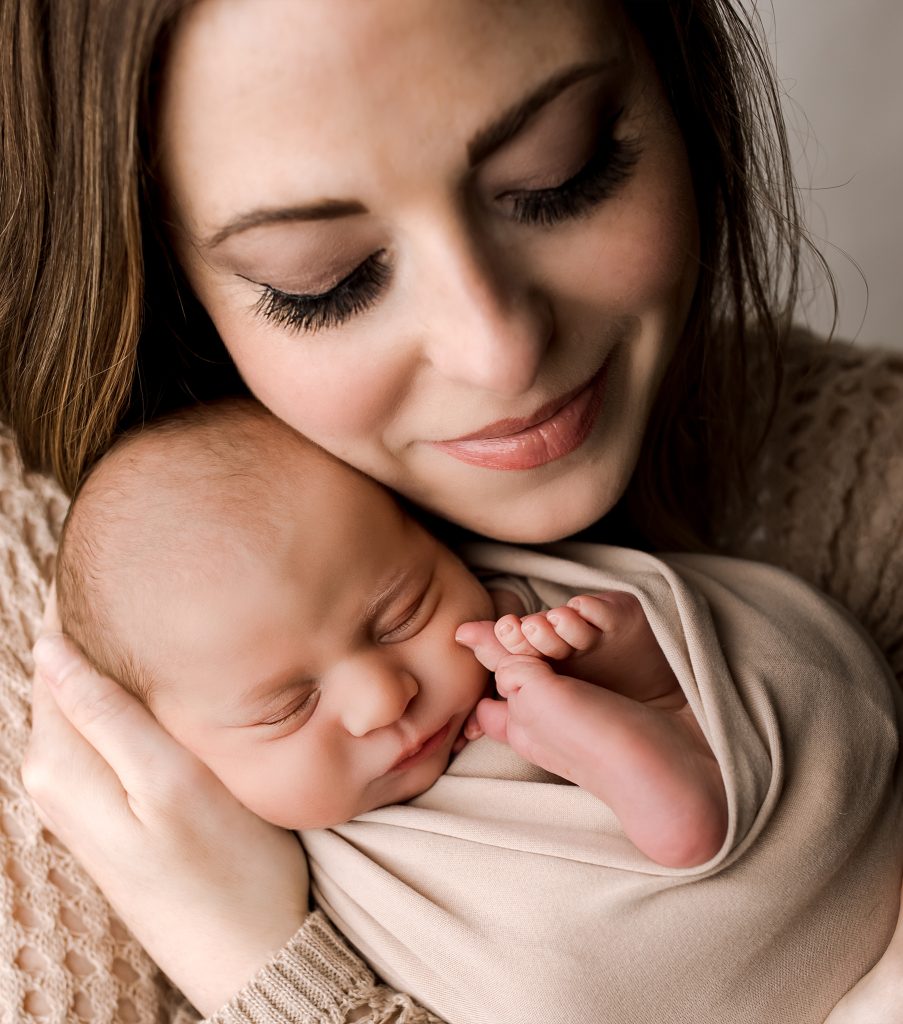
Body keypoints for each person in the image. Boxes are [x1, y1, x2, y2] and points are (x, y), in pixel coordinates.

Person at [1, 0, 902, 1021]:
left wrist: (263, 974)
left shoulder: (874, 477)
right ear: (166, 281)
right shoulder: (57, 672)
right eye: (326, 284)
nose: (500, 353)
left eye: (562, 175)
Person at [52, 398, 903, 1024]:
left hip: (821, 843)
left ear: (432, 536)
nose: (383, 695)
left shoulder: (514, 616)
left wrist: (617, 646)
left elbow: (747, 636)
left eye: (400, 613)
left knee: (622, 645)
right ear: (171, 750)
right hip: (655, 976)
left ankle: (660, 716)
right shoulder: (276, 855)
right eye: (286, 707)